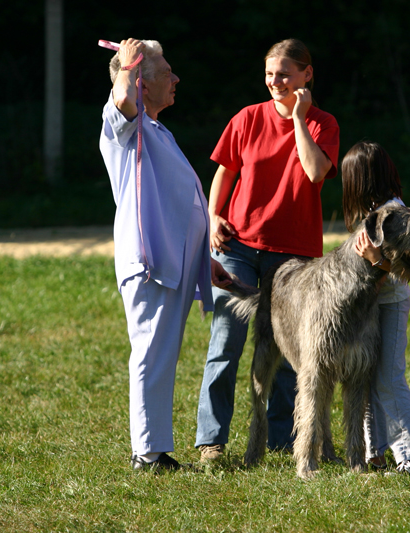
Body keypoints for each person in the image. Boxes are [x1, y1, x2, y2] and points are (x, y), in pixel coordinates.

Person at [194, 39, 340, 462]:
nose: (275, 82)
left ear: (306, 75)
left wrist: (299, 118)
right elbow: (225, 171)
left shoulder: (323, 124)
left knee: (290, 352)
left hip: (294, 256)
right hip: (237, 244)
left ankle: (281, 438)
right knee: (226, 342)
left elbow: (314, 171)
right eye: (269, 75)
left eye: (284, 74)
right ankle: (212, 440)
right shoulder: (247, 118)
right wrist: (212, 217)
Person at [99, 38, 231, 471]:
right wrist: (129, 65)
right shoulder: (122, 124)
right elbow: (120, 98)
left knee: (161, 354)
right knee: (151, 354)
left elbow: (176, 205)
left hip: (173, 265)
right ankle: (148, 454)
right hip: (149, 264)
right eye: (165, 73)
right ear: (142, 83)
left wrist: (201, 260)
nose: (176, 79)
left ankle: (153, 448)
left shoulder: (155, 129)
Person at [340, 141, 410, 474]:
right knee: (366, 376)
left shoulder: (395, 212)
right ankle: (373, 451)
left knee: (389, 378)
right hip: (368, 305)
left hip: (390, 303)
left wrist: (377, 259)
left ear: (361, 179)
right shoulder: (370, 212)